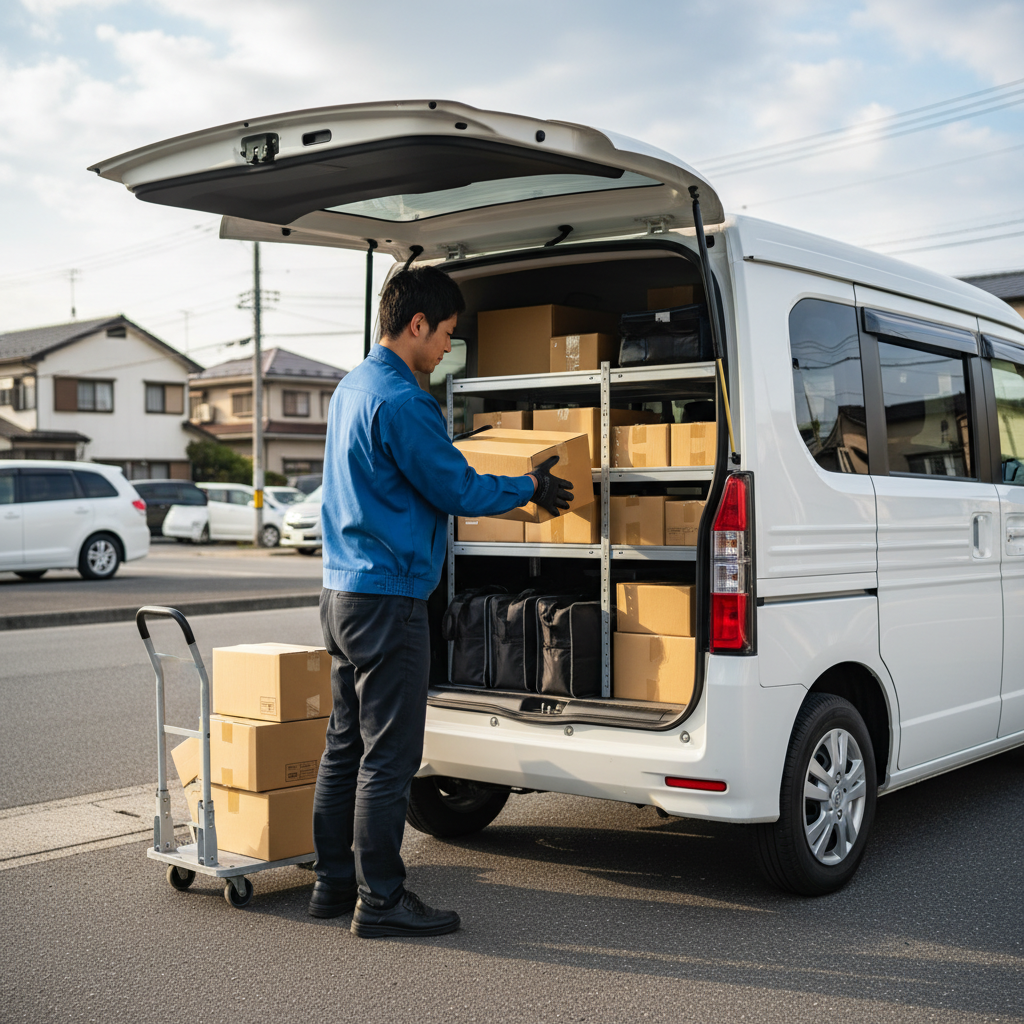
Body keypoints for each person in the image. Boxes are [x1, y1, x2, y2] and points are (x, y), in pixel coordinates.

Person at [309, 266, 573, 938]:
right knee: (390, 756)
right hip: (390, 597)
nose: (448, 351)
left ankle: (333, 883)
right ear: (417, 324)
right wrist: (530, 486)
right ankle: (383, 900)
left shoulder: (351, 389)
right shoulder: (403, 401)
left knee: (345, 745)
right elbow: (456, 489)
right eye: (447, 336)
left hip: (341, 592)